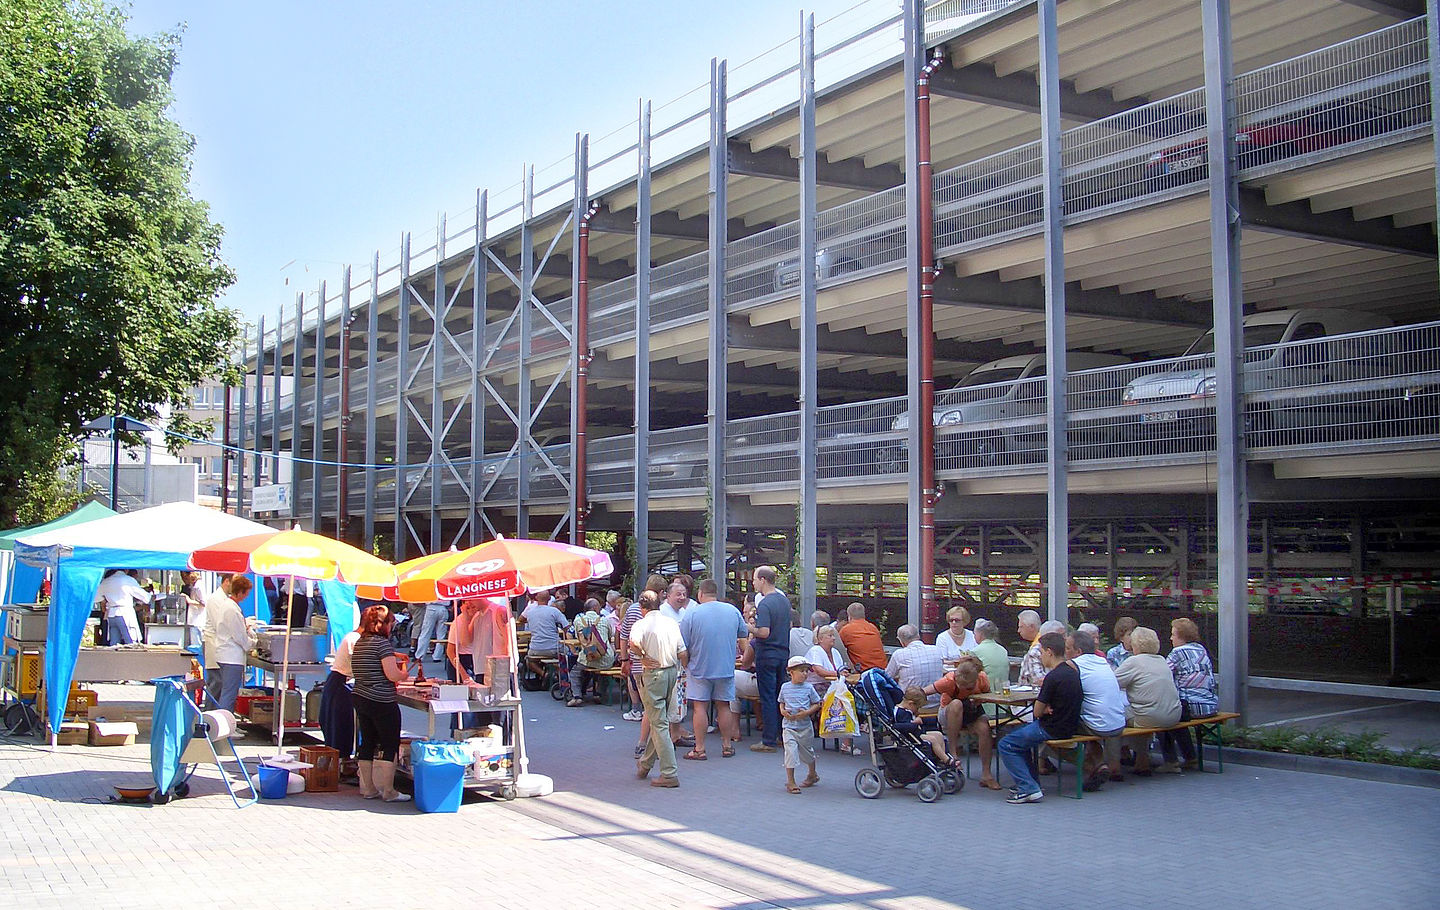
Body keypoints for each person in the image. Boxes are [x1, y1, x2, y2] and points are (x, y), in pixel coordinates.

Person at [997, 631, 1081, 804]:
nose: (1041, 656)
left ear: (1049, 652)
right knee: (1020, 740)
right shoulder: (1073, 672)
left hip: (1050, 728)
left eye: (1042, 652)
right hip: (1070, 726)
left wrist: (1044, 709)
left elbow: (1036, 712)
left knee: (1006, 744)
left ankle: (1028, 787)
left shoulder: (1052, 677)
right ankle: (1032, 782)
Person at [678, 578, 747, 759]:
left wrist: (686, 664)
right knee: (724, 705)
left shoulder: (692, 614)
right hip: (725, 666)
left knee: (700, 707)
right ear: (716, 593)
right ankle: (727, 745)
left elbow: (683, 643)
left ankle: (699, 748)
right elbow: (743, 633)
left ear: (700, 594)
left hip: (699, 666)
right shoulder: (732, 611)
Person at [350, 604, 412, 802]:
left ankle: (368, 788)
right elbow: (392, 674)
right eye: (390, 622)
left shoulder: (360, 642)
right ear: (382, 624)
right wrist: (403, 674)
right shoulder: (381, 644)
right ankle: (388, 790)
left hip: (361, 697)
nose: (392, 626)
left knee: (367, 742)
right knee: (389, 743)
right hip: (381, 700)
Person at [629, 590, 688, 788]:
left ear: (641, 607)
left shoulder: (641, 624)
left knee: (659, 723)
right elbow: (683, 652)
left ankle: (669, 772)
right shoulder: (670, 622)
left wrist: (642, 655)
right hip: (671, 671)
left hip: (653, 674)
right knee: (659, 720)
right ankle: (645, 764)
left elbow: (633, 643)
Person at [925, 656, 1002, 790]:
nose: (963, 688)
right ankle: (954, 753)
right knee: (956, 704)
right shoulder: (948, 680)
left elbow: (987, 694)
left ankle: (986, 774)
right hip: (949, 712)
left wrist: (979, 700)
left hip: (972, 711)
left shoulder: (982, 678)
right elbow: (925, 691)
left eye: (968, 687)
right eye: (960, 685)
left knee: (985, 728)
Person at [1113, 626, 1182, 776]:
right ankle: (1141, 761)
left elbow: (1111, 682)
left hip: (1150, 717)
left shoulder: (1134, 662)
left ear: (1135, 644)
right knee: (1141, 712)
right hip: (1174, 715)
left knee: (1116, 715)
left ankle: (1115, 762)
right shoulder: (1161, 660)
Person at [1066, 629, 1127, 788]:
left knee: (1057, 726)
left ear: (1078, 651)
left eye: (1067, 648)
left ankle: (1093, 766)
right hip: (1119, 722)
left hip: (1098, 726)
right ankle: (1101, 765)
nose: (1065, 652)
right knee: (1085, 720)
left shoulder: (1074, 665)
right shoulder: (1102, 661)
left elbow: (1062, 694)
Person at [1159, 618, 1218, 773]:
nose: (1170, 638)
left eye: (1173, 634)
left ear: (1182, 636)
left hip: (1192, 707)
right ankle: (1190, 757)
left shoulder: (1177, 653)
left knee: (1162, 717)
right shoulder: (1201, 649)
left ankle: (1171, 761)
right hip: (1211, 706)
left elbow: (1162, 675)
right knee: (1178, 715)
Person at [745, 565, 791, 754]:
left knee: (768, 697)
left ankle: (768, 740)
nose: (753, 583)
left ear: (763, 580)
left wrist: (749, 628)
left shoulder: (764, 604)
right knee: (780, 696)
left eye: (755, 579)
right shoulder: (784, 601)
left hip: (767, 654)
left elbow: (764, 632)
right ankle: (782, 735)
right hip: (783, 653)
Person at [804, 624, 859, 756]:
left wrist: (843, 673)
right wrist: (839, 674)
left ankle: (847, 739)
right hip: (816, 686)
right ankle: (846, 743)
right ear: (820, 639)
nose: (833, 638)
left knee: (851, 698)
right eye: (830, 636)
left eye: (833, 635)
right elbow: (819, 671)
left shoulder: (835, 652)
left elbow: (841, 668)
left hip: (833, 685)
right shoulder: (815, 651)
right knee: (842, 701)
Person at [204, 576, 254, 713]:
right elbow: (239, 636)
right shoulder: (230, 608)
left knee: (226, 691)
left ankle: (225, 723)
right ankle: (224, 725)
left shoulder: (227, 605)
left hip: (226, 654)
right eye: (246, 592)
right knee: (228, 694)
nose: (247, 596)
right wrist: (252, 643)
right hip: (231, 656)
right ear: (241, 592)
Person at [779, 655, 822, 793]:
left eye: (806, 671)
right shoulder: (785, 687)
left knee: (807, 753)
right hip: (789, 726)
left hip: (804, 726)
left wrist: (807, 712)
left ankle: (812, 774)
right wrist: (783, 711)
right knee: (790, 752)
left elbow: (817, 703)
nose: (805, 674)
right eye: (801, 671)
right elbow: (781, 702)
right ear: (791, 672)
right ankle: (791, 781)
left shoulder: (808, 688)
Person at [320, 622, 360, 760]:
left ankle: (338, 762)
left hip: (338, 683)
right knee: (339, 727)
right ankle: (339, 764)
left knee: (337, 726)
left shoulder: (353, 637)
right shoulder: (355, 639)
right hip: (340, 684)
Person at [895, 686, 960, 769]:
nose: (917, 710)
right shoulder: (900, 712)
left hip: (916, 733)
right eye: (917, 708)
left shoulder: (907, 710)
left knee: (938, 735)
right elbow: (903, 726)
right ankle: (947, 760)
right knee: (933, 740)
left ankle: (941, 758)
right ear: (911, 703)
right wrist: (914, 723)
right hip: (910, 736)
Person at [567, 597, 616, 707]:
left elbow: (578, 638)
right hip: (605, 658)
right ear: (595, 608)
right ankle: (599, 693)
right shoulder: (604, 620)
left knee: (575, 672)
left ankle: (577, 696)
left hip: (587, 657)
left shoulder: (578, 621)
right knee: (605, 670)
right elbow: (608, 637)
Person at [885, 624, 945, 709]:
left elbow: (887, 678)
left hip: (911, 707)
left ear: (900, 641)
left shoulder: (899, 654)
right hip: (937, 705)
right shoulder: (936, 650)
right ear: (918, 636)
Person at [519, 590, 567, 678]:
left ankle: (543, 674)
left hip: (535, 649)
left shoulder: (530, 612)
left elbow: (520, 619)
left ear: (536, 598)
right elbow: (566, 626)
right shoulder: (554, 611)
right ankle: (559, 675)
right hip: (554, 648)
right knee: (567, 654)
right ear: (549, 598)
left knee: (529, 661)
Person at [97, 568, 150, 645]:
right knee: (130, 641)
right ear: (126, 570)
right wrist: (150, 596)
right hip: (124, 612)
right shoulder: (128, 580)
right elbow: (145, 597)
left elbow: (96, 596)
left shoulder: (106, 581)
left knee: (114, 643)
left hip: (111, 614)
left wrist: (104, 600)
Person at [617, 595, 645, 722]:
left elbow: (623, 638)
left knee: (633, 681)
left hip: (635, 658)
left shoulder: (625, 622)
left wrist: (624, 659)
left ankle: (636, 709)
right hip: (652, 662)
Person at [971, 619, 1011, 707]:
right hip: (1004, 703)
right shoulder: (1003, 650)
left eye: (974, 634)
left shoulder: (975, 652)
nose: (974, 636)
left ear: (980, 634)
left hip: (985, 702)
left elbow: (968, 679)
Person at [839, 602, 887, 672]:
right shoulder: (873, 628)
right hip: (882, 669)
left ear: (849, 616)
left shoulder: (846, 630)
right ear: (864, 615)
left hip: (864, 672)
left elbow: (837, 649)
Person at [1018, 619, 1066, 686]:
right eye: (1061, 636)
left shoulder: (1066, 649)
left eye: (1065, 634)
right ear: (1048, 637)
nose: (1066, 638)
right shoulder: (1035, 652)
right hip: (1029, 694)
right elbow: (1039, 680)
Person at [412, 598, 448, 663]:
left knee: (425, 633)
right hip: (443, 608)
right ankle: (437, 656)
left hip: (431, 607)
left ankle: (420, 655)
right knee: (441, 634)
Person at [180, 571, 208, 647]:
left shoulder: (199, 586)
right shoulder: (194, 585)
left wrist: (189, 600)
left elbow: (204, 603)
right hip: (194, 620)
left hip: (197, 621)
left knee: (196, 646)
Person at [1014, 610, 1043, 685]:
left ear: (1032, 627)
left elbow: (1038, 679)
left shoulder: (1036, 649)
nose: (1018, 631)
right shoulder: (1041, 643)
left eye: (1021, 627)